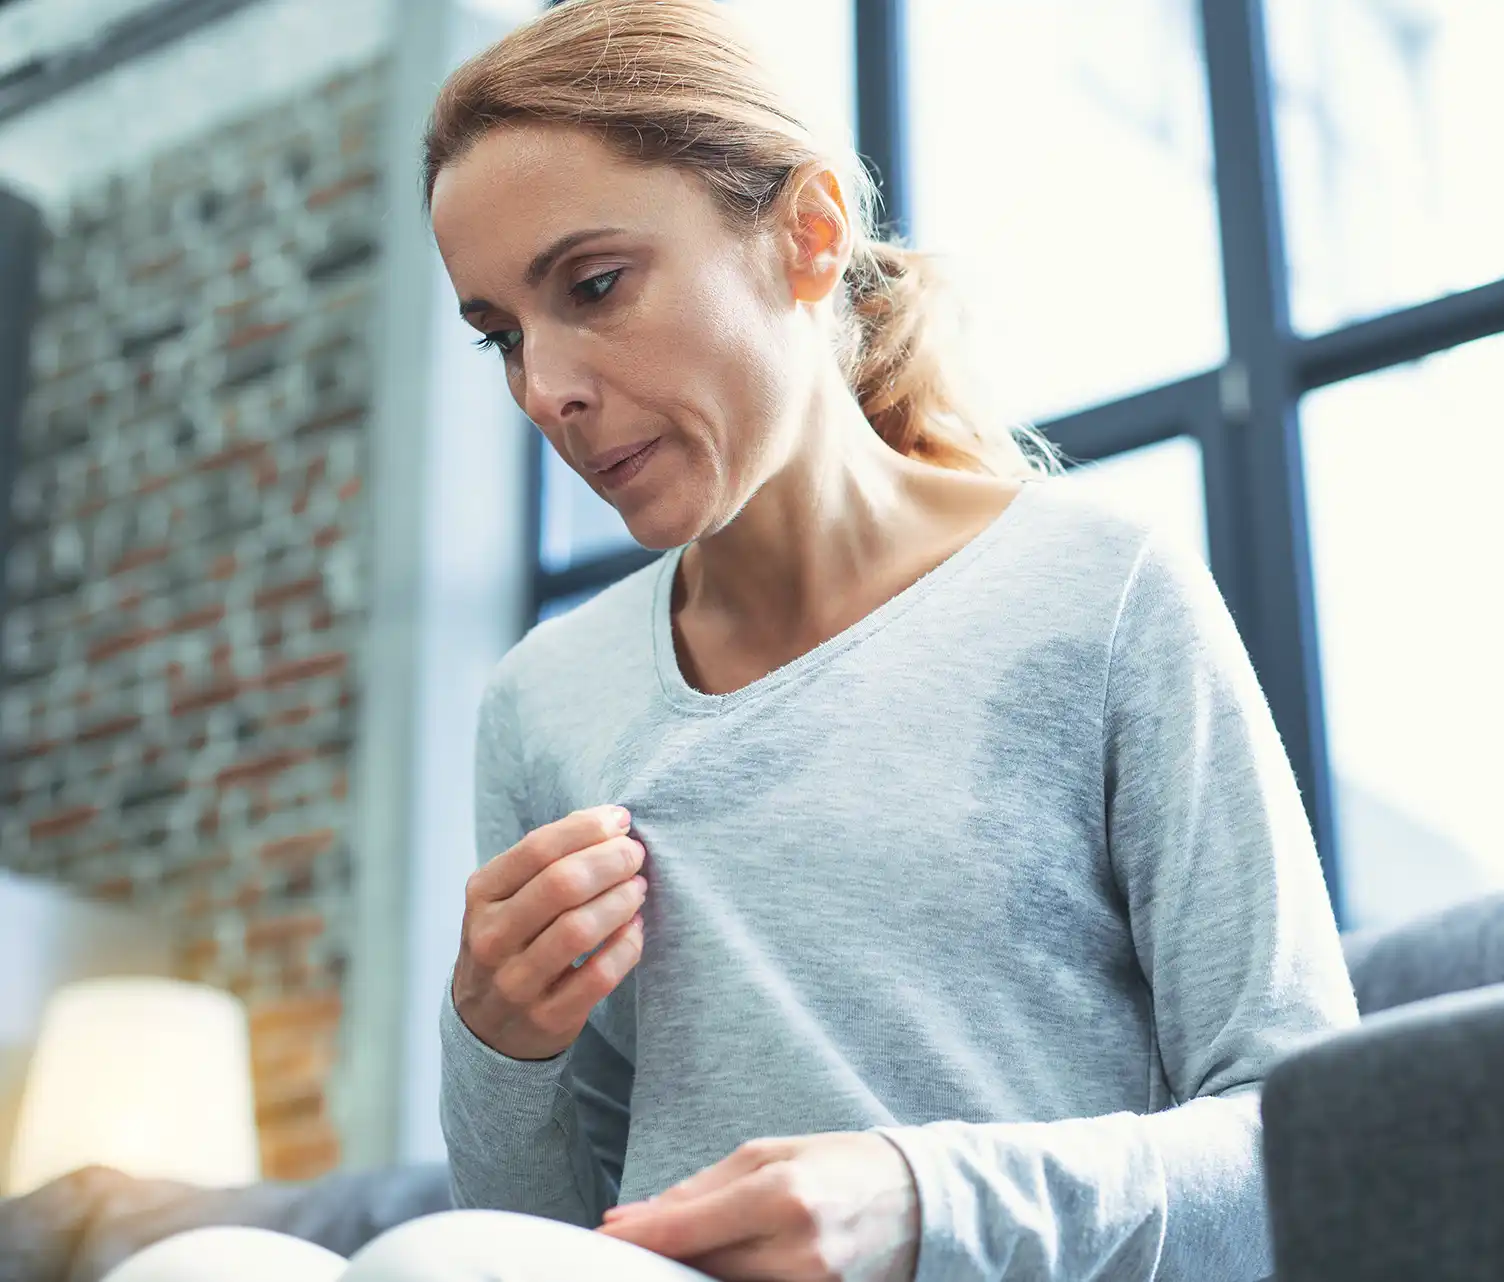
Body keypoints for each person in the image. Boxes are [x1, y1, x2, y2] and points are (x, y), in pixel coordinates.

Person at [104, 1, 1356, 1279]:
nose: (547, 389)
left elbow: (1311, 1144)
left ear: (807, 236)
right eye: (502, 337)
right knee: (185, 1266)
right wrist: (497, 1045)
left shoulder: (1101, 588)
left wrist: (922, 1199)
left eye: (592, 287)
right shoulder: (545, 702)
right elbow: (532, 1240)